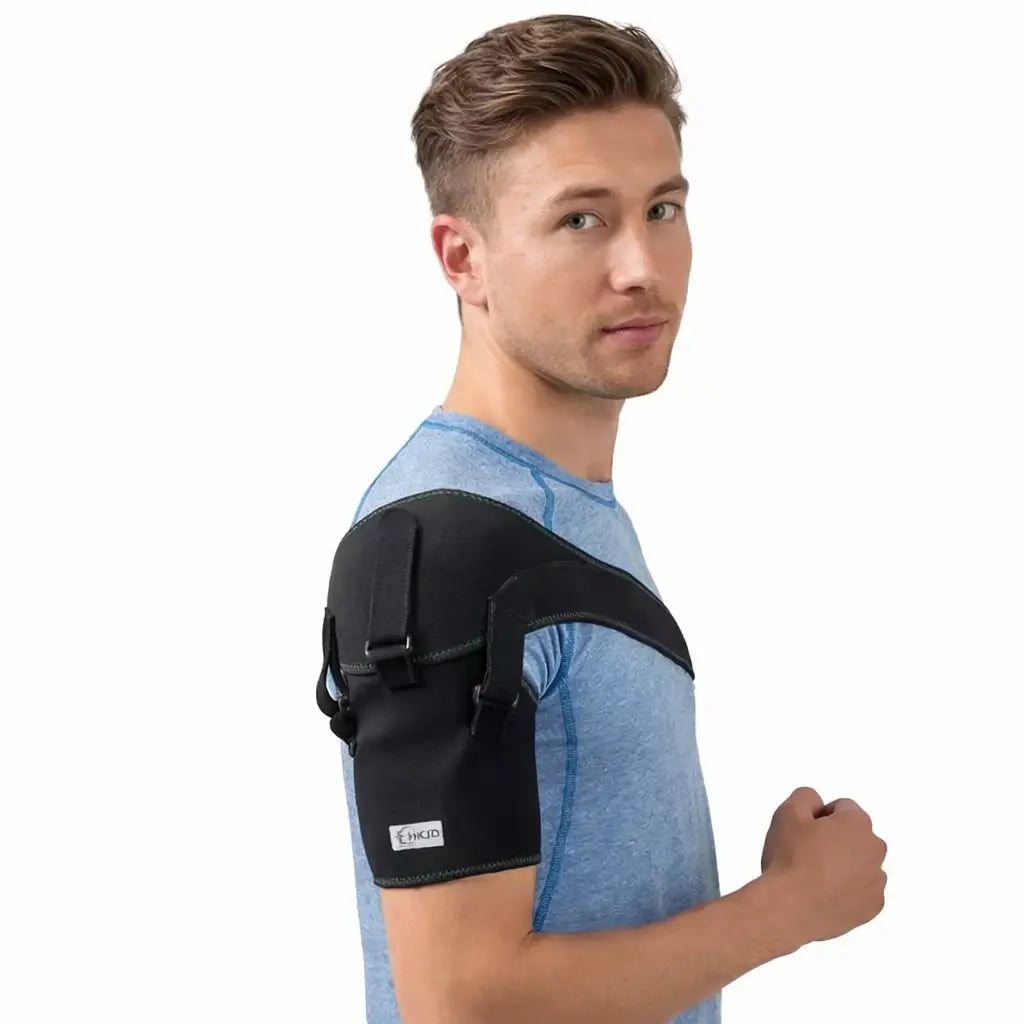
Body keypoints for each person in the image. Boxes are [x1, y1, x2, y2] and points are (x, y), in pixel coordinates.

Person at [322, 14, 887, 1023]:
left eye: (661, 208)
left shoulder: (560, 514)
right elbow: (459, 1002)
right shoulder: (444, 547)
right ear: (462, 258)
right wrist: (794, 905)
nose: (641, 266)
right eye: (581, 220)